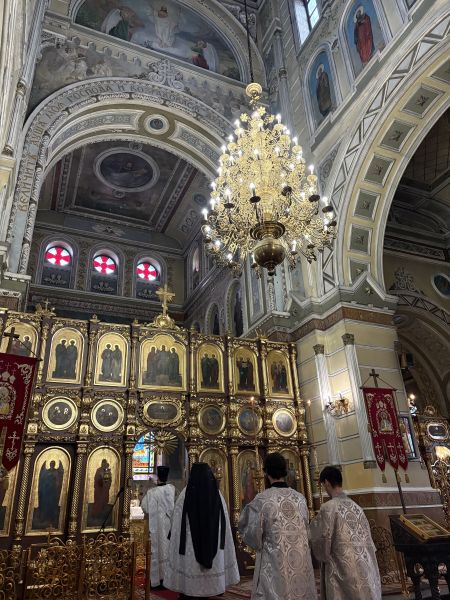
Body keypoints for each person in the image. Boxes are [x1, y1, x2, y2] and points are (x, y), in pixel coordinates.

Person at [239, 452, 316, 600]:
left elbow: (250, 531)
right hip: (300, 561)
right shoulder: (300, 499)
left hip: (275, 562)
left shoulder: (263, 500)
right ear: (285, 471)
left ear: (266, 472)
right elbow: (307, 531)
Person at [164, 462, 239, 599]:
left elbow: (176, 525)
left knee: (189, 588)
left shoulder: (184, 496)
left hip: (190, 551)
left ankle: (188, 592)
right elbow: (224, 526)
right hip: (213, 546)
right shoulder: (218, 496)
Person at [310, 466, 381, 600]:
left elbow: (322, 538)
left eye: (323, 485)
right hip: (365, 566)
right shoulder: (357, 508)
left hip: (342, 567)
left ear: (327, 482)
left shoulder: (328, 508)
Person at [141, 466, 176, 590]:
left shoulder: (152, 492)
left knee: (157, 551)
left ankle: (157, 580)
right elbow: (173, 508)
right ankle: (168, 579)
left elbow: (145, 507)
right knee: (167, 549)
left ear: (158, 477)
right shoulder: (171, 489)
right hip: (168, 525)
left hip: (156, 526)